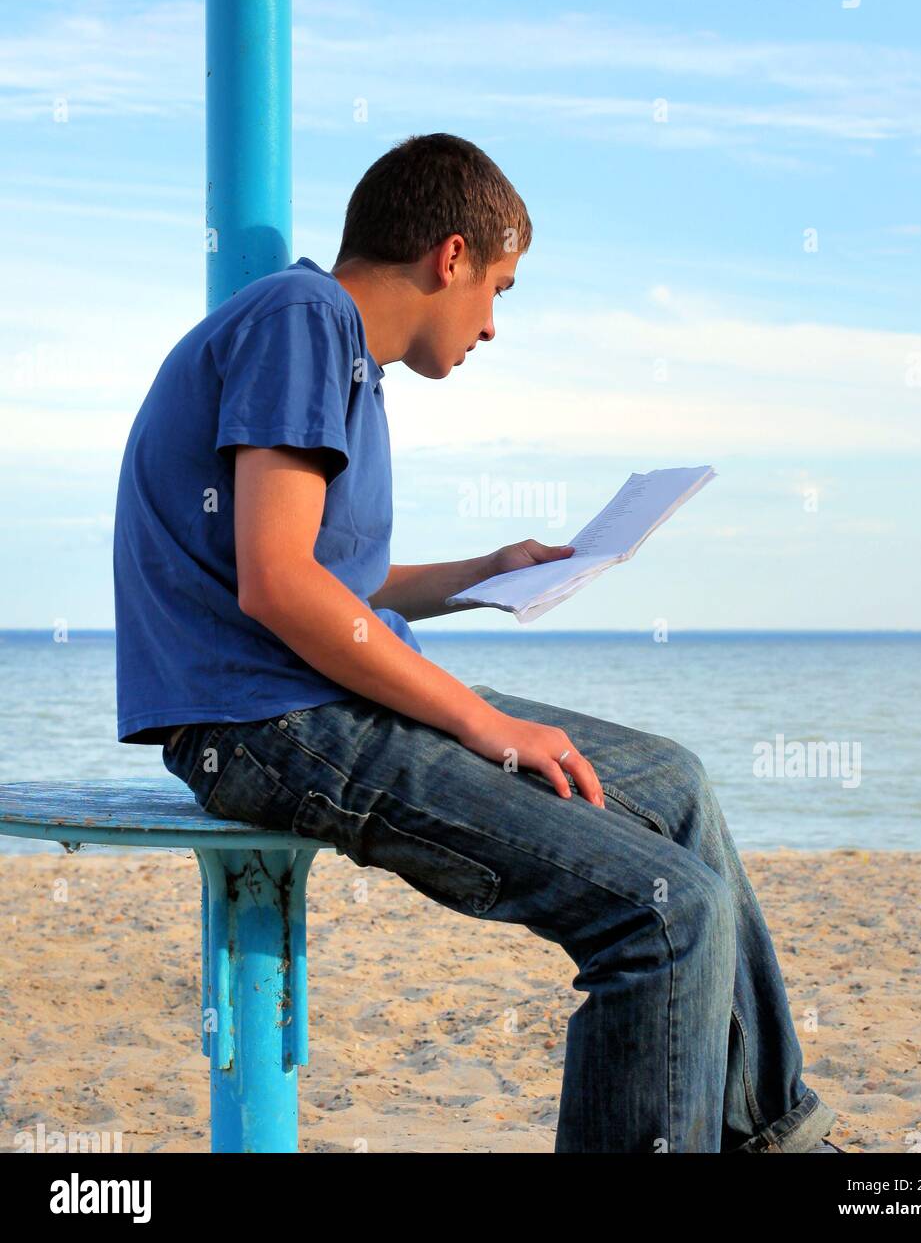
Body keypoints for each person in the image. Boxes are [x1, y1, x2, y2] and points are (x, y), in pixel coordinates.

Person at [113, 132, 842, 1153]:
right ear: (448, 256)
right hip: (265, 723)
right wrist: (488, 723)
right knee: (663, 910)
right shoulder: (304, 319)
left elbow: (335, 584)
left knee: (673, 781)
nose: (493, 325)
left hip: (308, 702)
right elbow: (279, 584)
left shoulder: (334, 348)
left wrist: (484, 570)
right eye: (499, 286)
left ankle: (770, 1135)